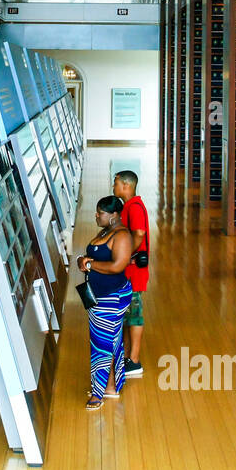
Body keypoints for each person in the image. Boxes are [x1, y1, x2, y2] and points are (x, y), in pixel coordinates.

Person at [76, 196, 134, 410]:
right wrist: (84, 260)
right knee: (110, 341)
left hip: (112, 297)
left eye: (100, 212)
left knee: (101, 344)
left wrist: (90, 265)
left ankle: (98, 393)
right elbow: (93, 256)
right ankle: (111, 386)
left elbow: (118, 266)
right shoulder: (104, 232)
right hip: (98, 295)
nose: (96, 215)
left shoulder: (122, 236)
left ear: (113, 215)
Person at [113, 169, 150, 379]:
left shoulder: (134, 207)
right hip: (130, 270)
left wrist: (125, 257)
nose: (113, 187)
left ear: (126, 186)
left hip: (134, 272)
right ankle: (128, 357)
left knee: (134, 315)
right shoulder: (130, 206)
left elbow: (139, 234)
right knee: (128, 315)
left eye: (115, 183)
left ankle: (134, 362)